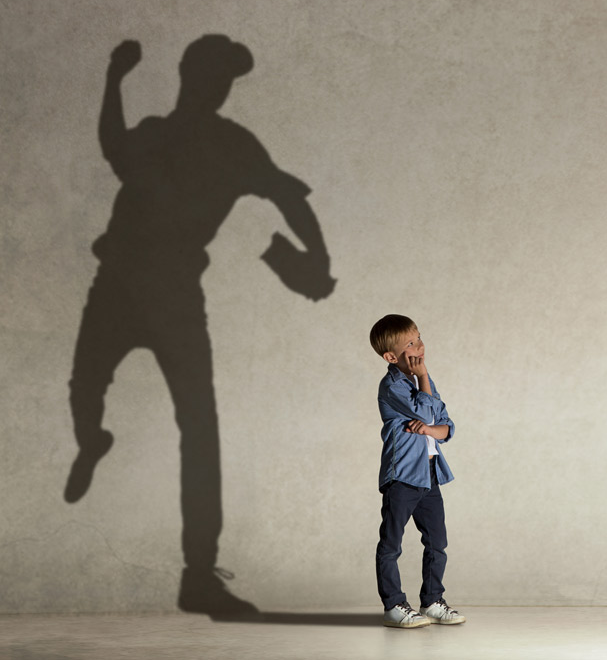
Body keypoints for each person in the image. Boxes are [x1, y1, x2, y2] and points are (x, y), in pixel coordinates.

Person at [64, 35, 334, 617]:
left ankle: (198, 575)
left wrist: (319, 257)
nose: (219, 87)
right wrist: (114, 78)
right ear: (189, 74)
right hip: (118, 285)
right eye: (213, 74)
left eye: (226, 80)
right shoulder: (157, 133)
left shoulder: (234, 145)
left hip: (174, 296)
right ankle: (92, 441)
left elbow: (288, 195)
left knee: (200, 426)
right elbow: (113, 144)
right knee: (85, 391)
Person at [370, 314, 466, 628]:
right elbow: (428, 410)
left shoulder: (419, 381)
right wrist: (428, 415)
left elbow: (446, 425)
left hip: (429, 474)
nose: (419, 346)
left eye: (419, 337)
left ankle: (433, 602)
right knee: (392, 543)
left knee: (437, 541)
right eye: (410, 343)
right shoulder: (392, 386)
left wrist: (429, 428)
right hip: (403, 476)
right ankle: (394, 605)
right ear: (391, 356)